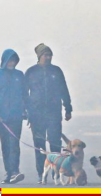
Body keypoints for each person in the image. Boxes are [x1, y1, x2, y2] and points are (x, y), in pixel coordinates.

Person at [25, 43, 73, 184]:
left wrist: (68, 108)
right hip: (36, 113)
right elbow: (23, 93)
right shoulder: (31, 72)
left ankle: (56, 172)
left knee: (55, 144)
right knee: (39, 146)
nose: (48, 57)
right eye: (45, 55)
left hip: (54, 112)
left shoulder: (56, 71)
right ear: (39, 56)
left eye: (50, 55)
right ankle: (41, 173)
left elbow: (64, 89)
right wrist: (26, 111)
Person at [0, 49, 28, 184]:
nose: (12, 63)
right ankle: (9, 173)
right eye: (10, 60)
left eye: (14, 60)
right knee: (6, 145)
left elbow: (25, 95)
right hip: (1, 118)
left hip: (16, 116)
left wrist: (26, 111)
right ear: (4, 60)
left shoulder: (19, 75)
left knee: (14, 144)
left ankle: (15, 171)